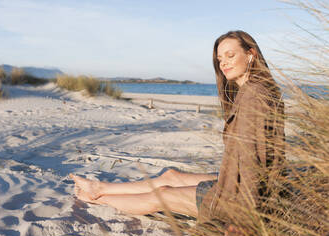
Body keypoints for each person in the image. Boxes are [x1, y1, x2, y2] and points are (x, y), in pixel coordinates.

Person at [70, 30, 285, 224]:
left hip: (241, 201)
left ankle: (97, 198)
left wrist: (246, 217)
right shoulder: (254, 90)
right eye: (220, 59)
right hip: (233, 184)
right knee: (171, 176)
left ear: (251, 54)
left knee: (162, 195)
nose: (223, 63)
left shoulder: (254, 97)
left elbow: (252, 160)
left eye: (231, 55)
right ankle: (100, 187)